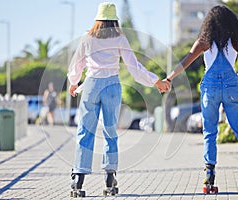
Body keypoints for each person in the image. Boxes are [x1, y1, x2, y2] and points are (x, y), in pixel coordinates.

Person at [67, 2, 168, 197]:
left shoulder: (86, 38)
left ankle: (78, 179)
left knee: (85, 131)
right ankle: (109, 178)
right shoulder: (120, 38)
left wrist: (73, 82)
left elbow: (77, 65)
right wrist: (156, 81)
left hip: (91, 85)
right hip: (112, 86)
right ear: (114, 20)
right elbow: (134, 67)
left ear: (97, 19)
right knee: (110, 131)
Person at [164, 5, 238, 193]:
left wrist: (169, 77)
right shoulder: (235, 41)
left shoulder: (204, 41)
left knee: (210, 132)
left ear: (209, 23)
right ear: (230, 23)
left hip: (210, 88)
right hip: (232, 87)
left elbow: (187, 60)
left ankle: (209, 176)